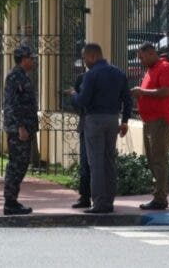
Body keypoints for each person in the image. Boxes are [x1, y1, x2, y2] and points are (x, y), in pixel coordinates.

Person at [68, 43, 132, 214]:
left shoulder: (91, 75)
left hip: (94, 119)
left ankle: (98, 203)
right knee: (109, 161)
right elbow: (128, 99)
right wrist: (124, 120)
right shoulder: (118, 73)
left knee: (96, 163)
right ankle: (109, 201)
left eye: (84, 58)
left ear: (92, 56)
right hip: (113, 120)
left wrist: (74, 96)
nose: (84, 62)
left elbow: (83, 101)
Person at [130, 42, 169, 210]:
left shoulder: (165, 68)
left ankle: (160, 198)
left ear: (150, 53)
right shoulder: (151, 69)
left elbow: (166, 91)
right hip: (150, 120)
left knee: (158, 159)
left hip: (160, 120)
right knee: (152, 159)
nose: (140, 61)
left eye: (142, 57)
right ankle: (158, 194)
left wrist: (142, 93)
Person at [2, 44, 38, 215]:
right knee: (16, 165)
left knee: (21, 164)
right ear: (23, 59)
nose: (33, 61)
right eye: (31, 58)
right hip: (19, 130)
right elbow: (13, 105)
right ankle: (10, 202)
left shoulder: (22, 76)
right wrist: (21, 127)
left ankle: (12, 201)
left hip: (25, 128)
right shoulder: (14, 77)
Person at [71, 72, 91, 209]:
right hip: (89, 123)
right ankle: (86, 196)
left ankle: (86, 197)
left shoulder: (85, 78)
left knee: (86, 162)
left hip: (89, 123)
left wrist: (74, 95)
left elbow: (78, 102)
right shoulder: (82, 77)